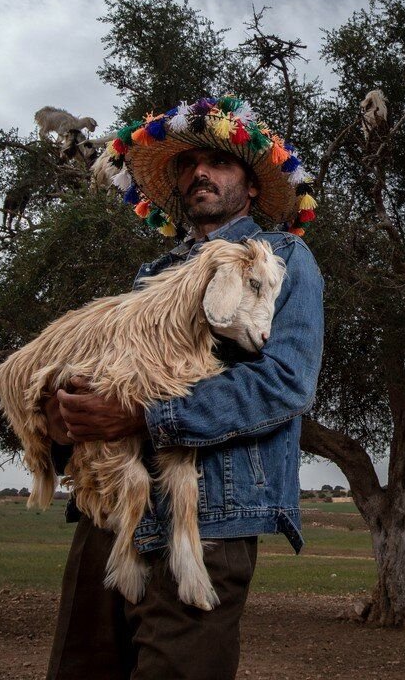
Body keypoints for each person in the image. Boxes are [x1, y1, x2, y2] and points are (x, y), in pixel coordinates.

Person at [42, 98, 324, 679]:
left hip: (206, 522)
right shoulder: (151, 277)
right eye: (188, 163)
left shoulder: (284, 258)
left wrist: (144, 416)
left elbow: (285, 383)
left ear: (249, 185)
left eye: (219, 161)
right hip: (110, 512)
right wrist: (64, 415)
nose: (201, 172)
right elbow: (118, 377)